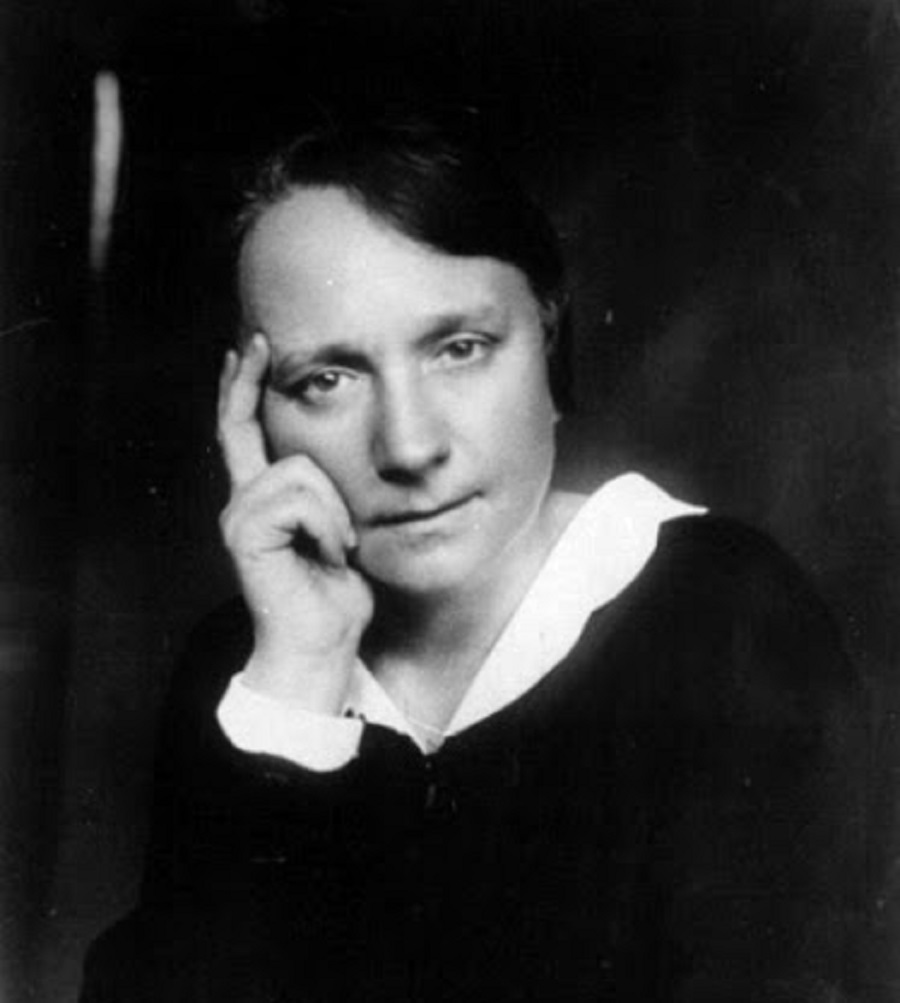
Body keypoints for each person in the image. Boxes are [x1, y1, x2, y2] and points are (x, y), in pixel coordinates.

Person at [81, 113, 862, 1003]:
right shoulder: (249, 671)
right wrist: (296, 680)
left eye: (460, 348)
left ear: (551, 346)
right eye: (326, 380)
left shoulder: (723, 617)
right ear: (255, 412)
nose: (410, 445)